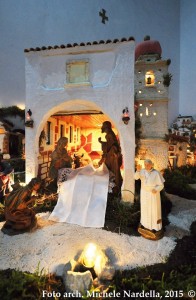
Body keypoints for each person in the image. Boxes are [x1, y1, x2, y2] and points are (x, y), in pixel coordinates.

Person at [134, 159, 165, 239]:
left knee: (154, 210)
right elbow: (136, 177)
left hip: (153, 195)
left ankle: (155, 228)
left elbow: (161, 185)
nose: (146, 166)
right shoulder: (142, 171)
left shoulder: (156, 173)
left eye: (148, 164)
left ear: (152, 164)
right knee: (145, 209)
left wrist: (156, 189)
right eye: (145, 164)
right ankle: (145, 225)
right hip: (144, 194)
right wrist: (137, 170)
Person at [98, 121, 123, 196]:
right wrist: (102, 142)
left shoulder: (110, 134)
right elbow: (109, 144)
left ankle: (114, 188)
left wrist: (102, 143)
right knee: (109, 170)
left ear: (106, 127)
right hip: (111, 156)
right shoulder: (109, 134)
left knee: (111, 171)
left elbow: (111, 146)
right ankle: (111, 188)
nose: (102, 128)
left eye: (103, 126)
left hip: (112, 157)